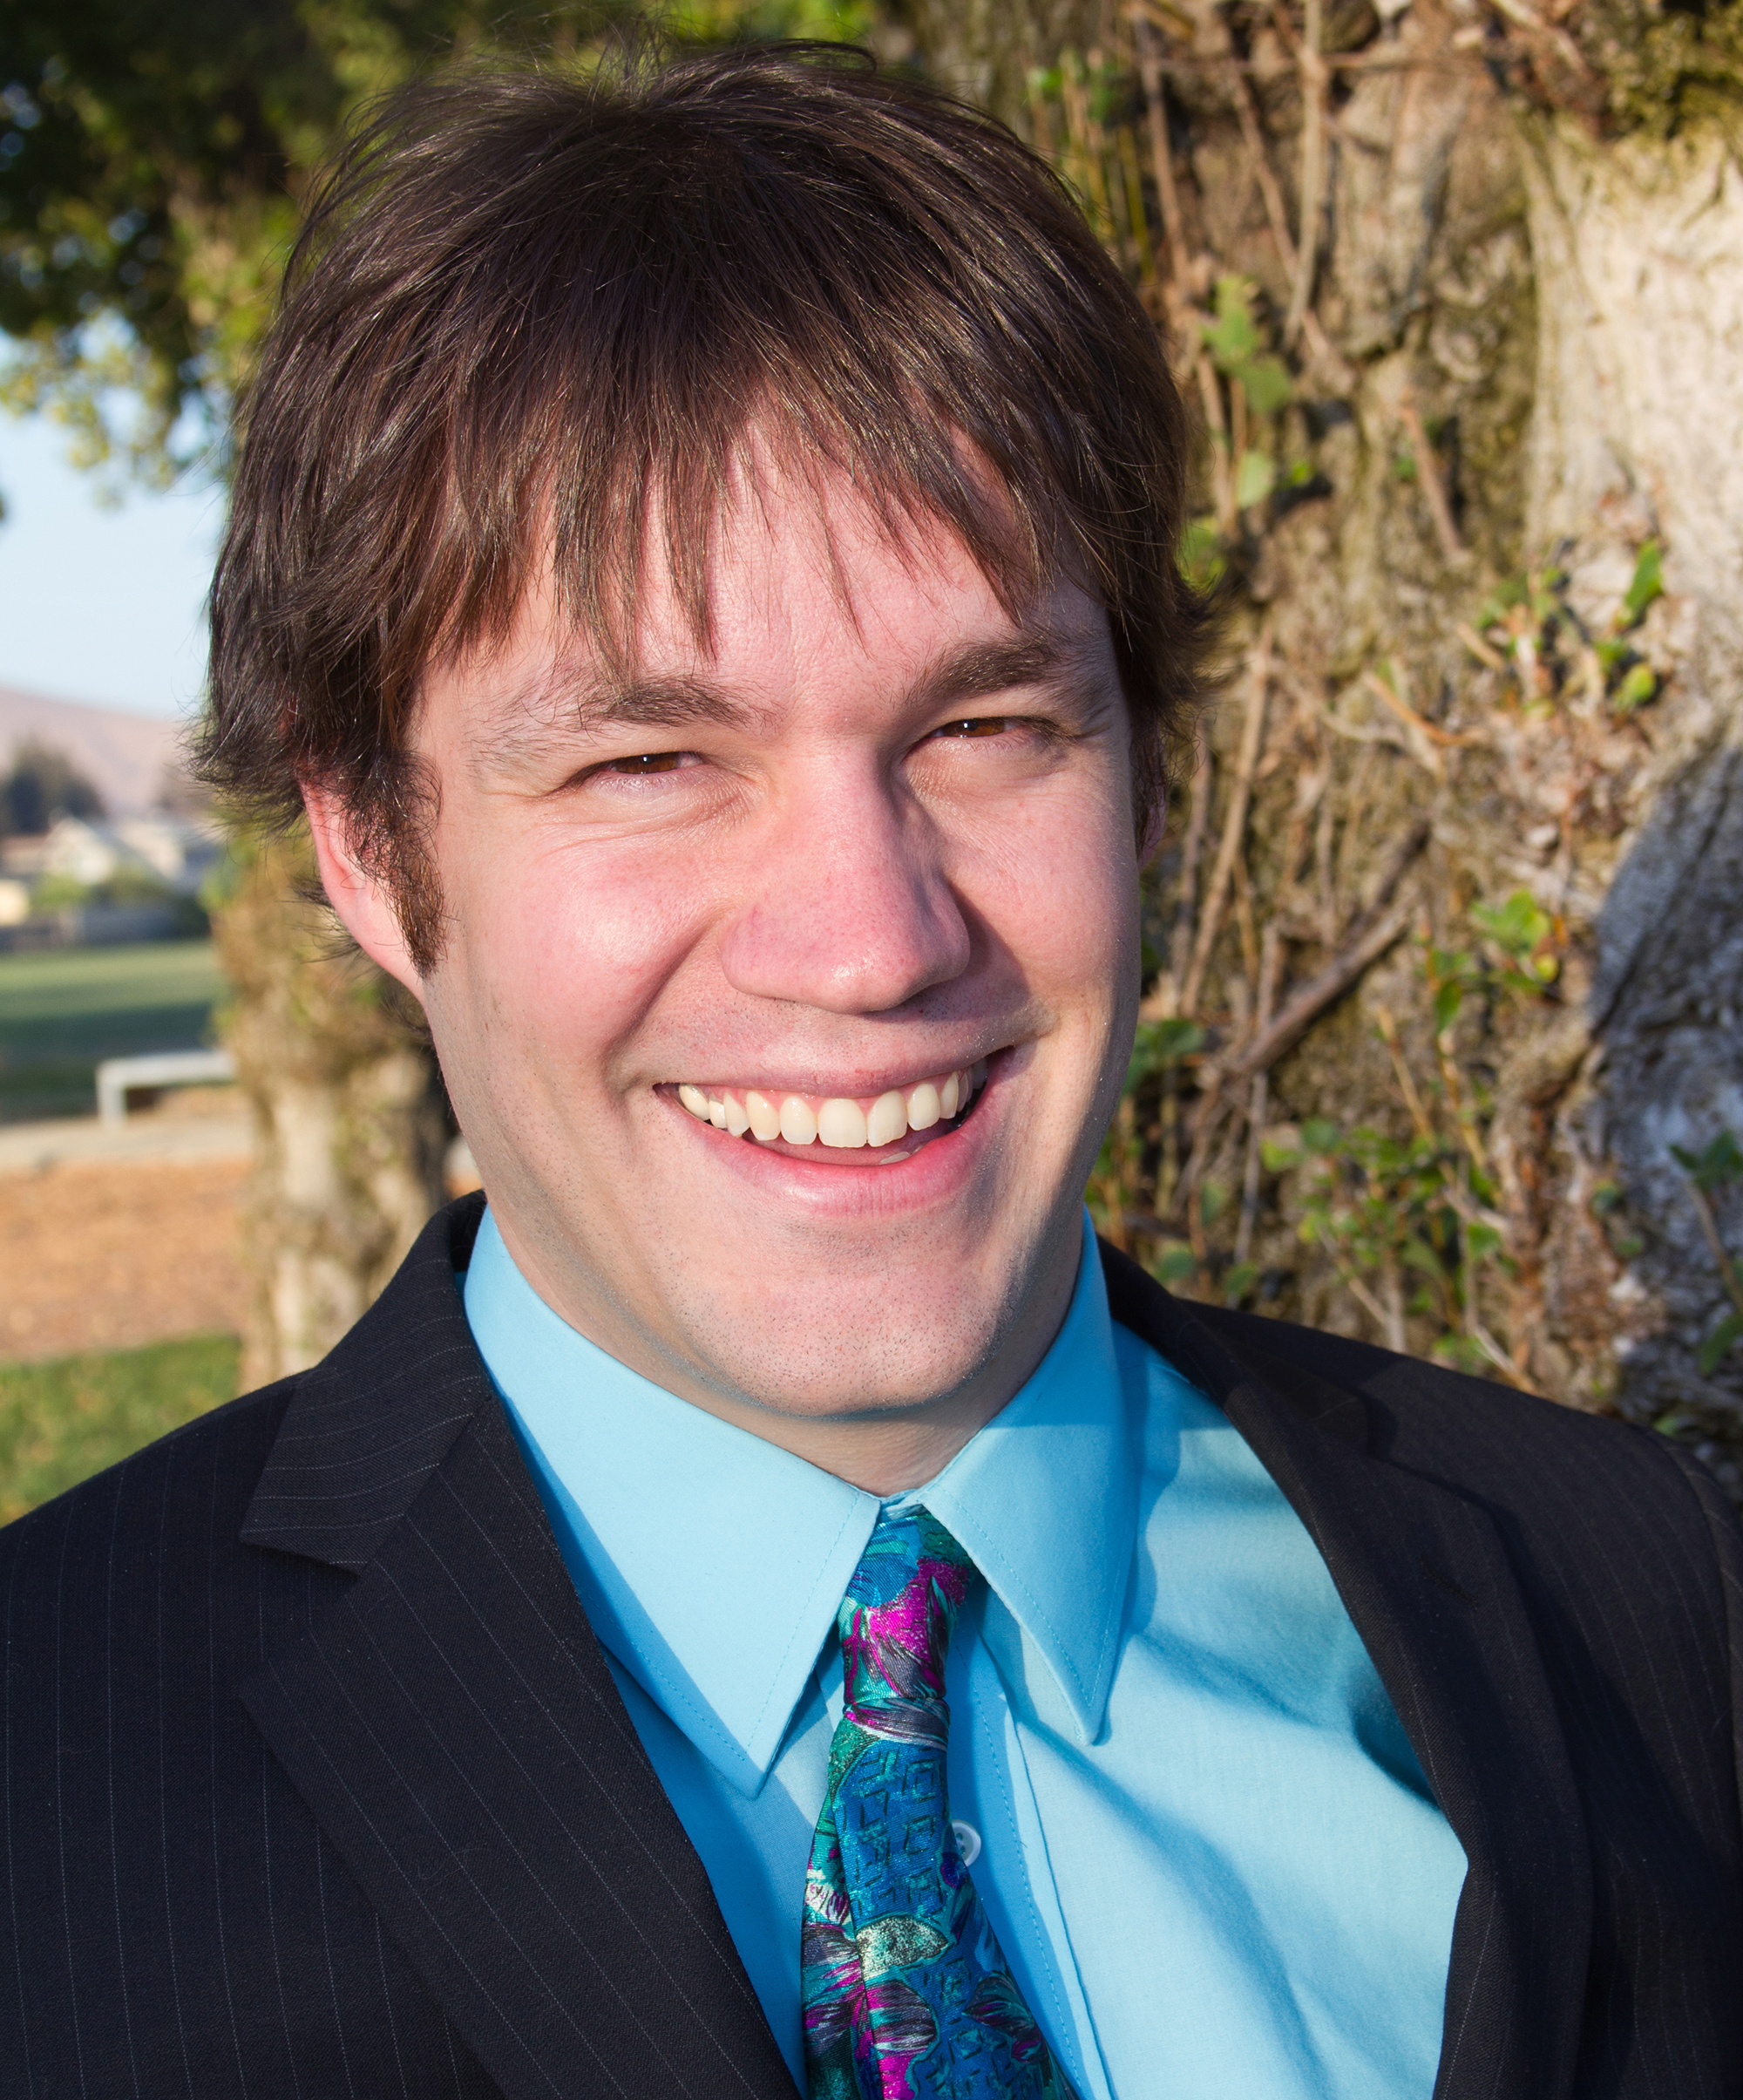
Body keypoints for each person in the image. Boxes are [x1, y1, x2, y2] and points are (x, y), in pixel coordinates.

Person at [2, 44, 1739, 2100]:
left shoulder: (1633, 1592)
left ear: (1143, 776)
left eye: (984, 727)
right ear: (371, 848)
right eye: (651, 759)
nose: (872, 938)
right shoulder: (45, 1780)